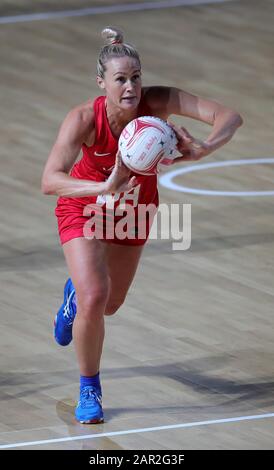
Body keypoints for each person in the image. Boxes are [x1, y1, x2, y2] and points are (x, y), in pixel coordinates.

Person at [41, 27, 243, 424]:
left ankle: (72, 298)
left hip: (135, 210)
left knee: (110, 305)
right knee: (96, 295)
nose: (131, 86)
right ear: (101, 83)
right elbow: (50, 180)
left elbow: (229, 116)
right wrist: (104, 185)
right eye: (120, 79)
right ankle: (89, 388)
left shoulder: (157, 102)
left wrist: (207, 147)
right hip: (85, 206)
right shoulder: (83, 118)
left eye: (136, 77)